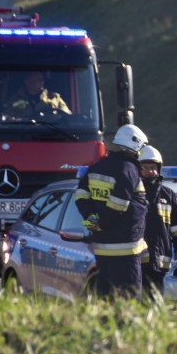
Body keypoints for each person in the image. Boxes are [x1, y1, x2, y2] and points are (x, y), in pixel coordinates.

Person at [74, 123, 149, 299]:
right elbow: (119, 204)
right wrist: (101, 224)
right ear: (135, 144)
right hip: (125, 250)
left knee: (105, 297)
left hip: (101, 248)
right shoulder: (129, 169)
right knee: (128, 297)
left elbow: (81, 196)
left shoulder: (96, 167)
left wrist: (91, 220)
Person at [139, 145, 177, 297]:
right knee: (138, 297)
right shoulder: (133, 192)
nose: (150, 171)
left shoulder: (168, 194)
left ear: (159, 168)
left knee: (157, 298)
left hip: (161, 259)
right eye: (145, 167)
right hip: (138, 258)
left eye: (153, 167)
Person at [4, 71, 71, 116]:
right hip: (23, 134)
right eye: (38, 79)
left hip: (52, 133)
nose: (42, 82)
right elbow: (7, 119)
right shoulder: (14, 101)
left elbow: (67, 116)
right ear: (27, 82)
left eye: (42, 79)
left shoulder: (54, 97)